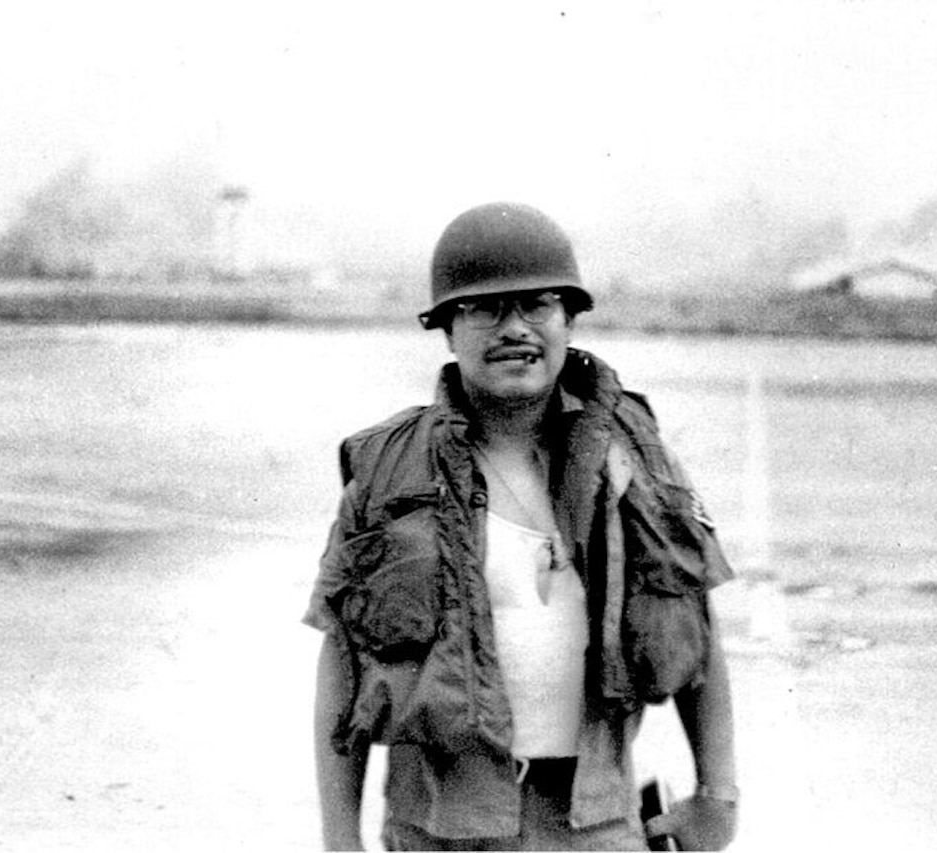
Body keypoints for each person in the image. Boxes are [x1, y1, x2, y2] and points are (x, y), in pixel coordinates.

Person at [304, 202, 739, 851]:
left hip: (596, 827)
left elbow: (693, 631)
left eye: (536, 304)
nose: (515, 329)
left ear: (569, 317)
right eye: (484, 308)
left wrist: (717, 793)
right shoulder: (390, 473)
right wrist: (341, 841)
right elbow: (342, 666)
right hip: (438, 830)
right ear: (448, 328)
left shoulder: (634, 460)